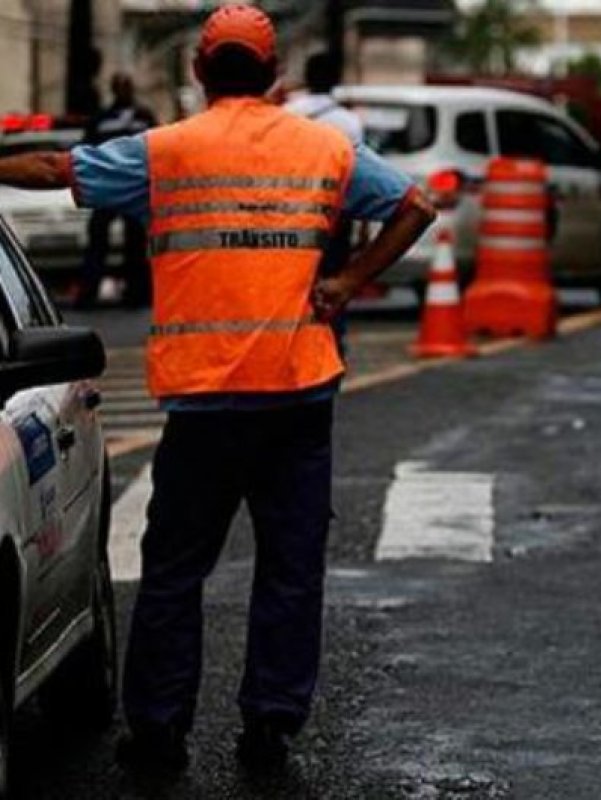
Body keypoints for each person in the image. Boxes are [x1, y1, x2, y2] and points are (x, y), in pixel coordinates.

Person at [0, 4, 435, 777]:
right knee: (290, 569)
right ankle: (270, 727)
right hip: (298, 393)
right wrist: (346, 281)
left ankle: (160, 733)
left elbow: (54, 172)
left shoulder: (166, 150)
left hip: (204, 402)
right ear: (274, 76)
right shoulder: (326, 147)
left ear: (199, 73)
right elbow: (418, 204)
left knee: (174, 571)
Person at [286, 52, 364, 352]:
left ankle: (294, 340)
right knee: (334, 283)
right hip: (335, 216)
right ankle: (331, 343)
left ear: (306, 77)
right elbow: (355, 175)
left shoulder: (288, 113)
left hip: (291, 214)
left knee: (294, 285)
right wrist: (361, 224)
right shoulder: (349, 121)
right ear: (337, 80)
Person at [77, 72, 158, 309]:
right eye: (120, 86)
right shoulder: (102, 118)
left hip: (133, 188)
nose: (124, 90)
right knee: (98, 243)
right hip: (108, 187)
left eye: (127, 86)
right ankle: (89, 293)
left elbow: (156, 146)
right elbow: (88, 148)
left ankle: (137, 294)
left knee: (135, 244)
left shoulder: (143, 117)